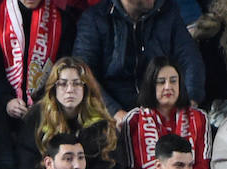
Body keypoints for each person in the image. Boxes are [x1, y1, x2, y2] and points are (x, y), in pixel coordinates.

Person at [71, 0, 204, 118]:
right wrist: (114, 112)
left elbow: (190, 58)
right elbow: (83, 71)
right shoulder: (94, 18)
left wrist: (189, 103)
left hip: (163, 110)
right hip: (112, 116)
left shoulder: (168, 11)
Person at [15, 58, 126, 169]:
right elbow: (26, 168)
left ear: (86, 88)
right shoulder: (36, 118)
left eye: (76, 84)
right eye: (63, 84)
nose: (69, 90)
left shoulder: (103, 124)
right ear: (53, 88)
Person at [123, 59, 211, 169]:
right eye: (161, 82)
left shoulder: (199, 117)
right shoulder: (134, 120)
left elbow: (202, 167)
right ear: (150, 85)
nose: (168, 86)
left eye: (173, 81)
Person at [0, 0, 73, 123]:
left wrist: (43, 100)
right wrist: (6, 100)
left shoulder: (62, 21)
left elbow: (63, 69)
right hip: (0, 110)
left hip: (48, 109)